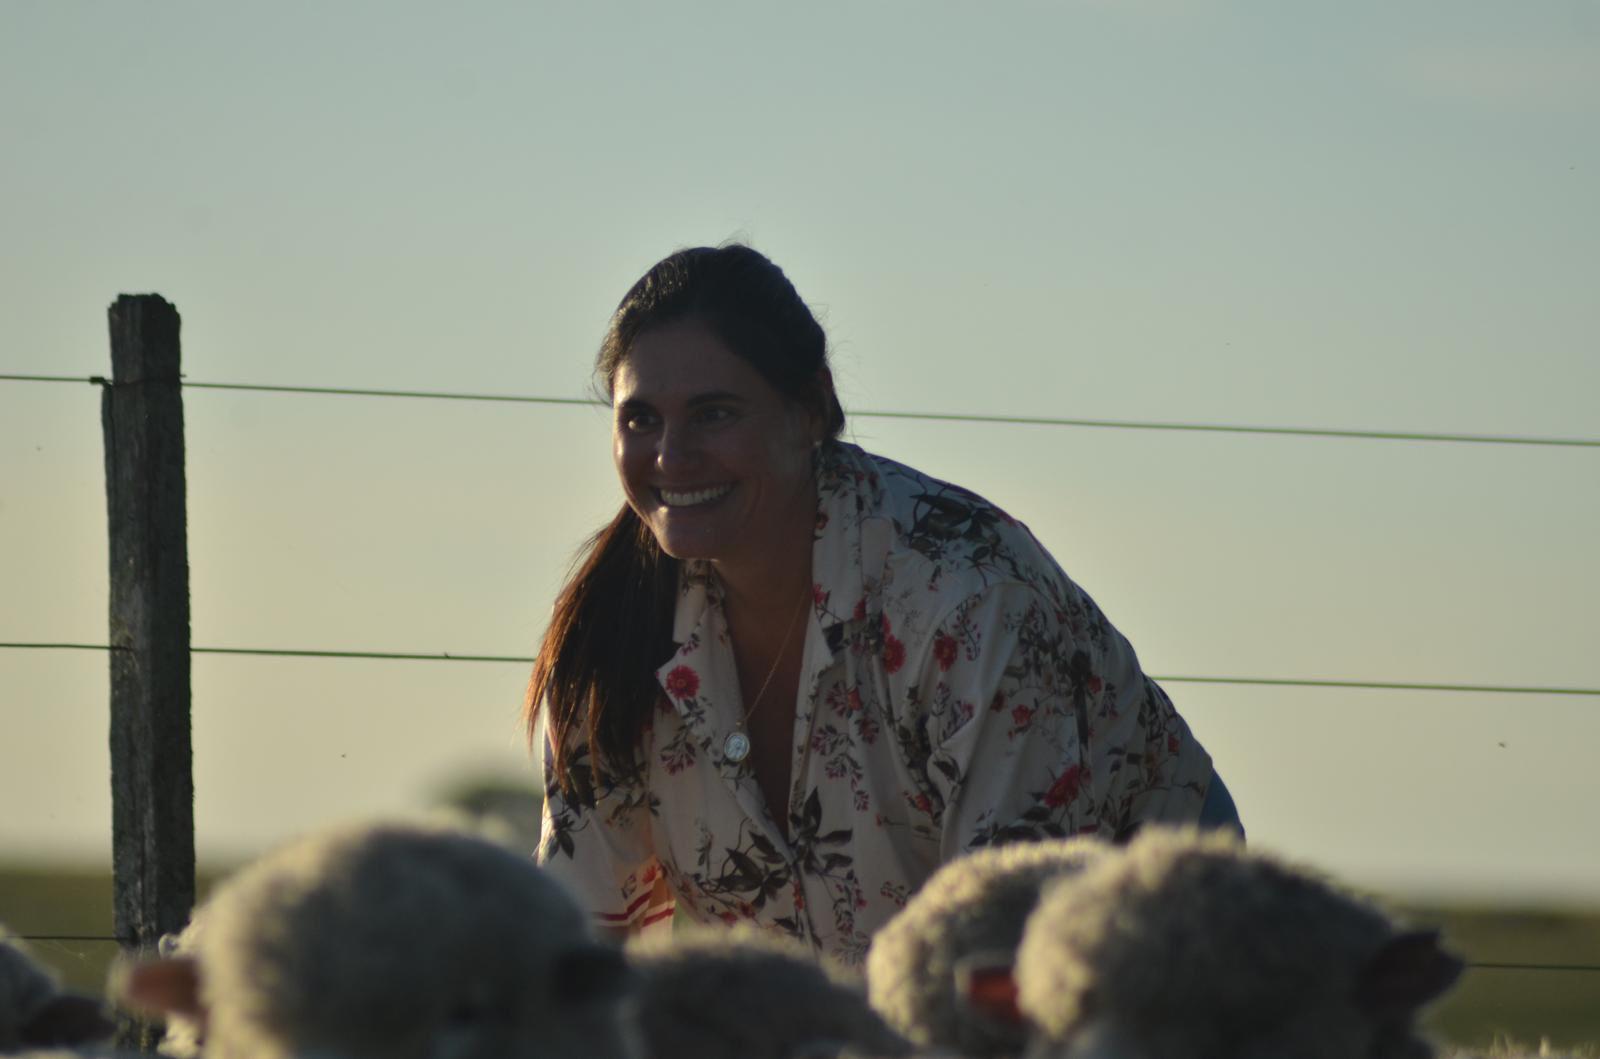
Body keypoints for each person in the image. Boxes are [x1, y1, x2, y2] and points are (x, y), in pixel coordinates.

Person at [528, 244, 1240, 965]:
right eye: (640, 419)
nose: (670, 456)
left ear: (810, 408)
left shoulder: (969, 598)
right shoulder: (607, 638)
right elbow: (572, 962)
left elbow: (1006, 966)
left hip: (1147, 972)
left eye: (713, 414)